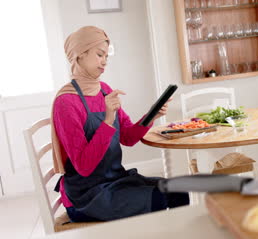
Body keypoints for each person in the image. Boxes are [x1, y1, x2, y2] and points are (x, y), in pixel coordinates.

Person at [51, 26, 189, 222]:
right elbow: (84, 167)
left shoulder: (104, 90)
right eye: (100, 54)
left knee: (180, 190)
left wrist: (151, 115)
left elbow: (128, 137)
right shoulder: (65, 103)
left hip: (115, 180)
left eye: (107, 56)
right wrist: (108, 120)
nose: (105, 61)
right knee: (162, 198)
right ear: (80, 55)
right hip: (87, 197)